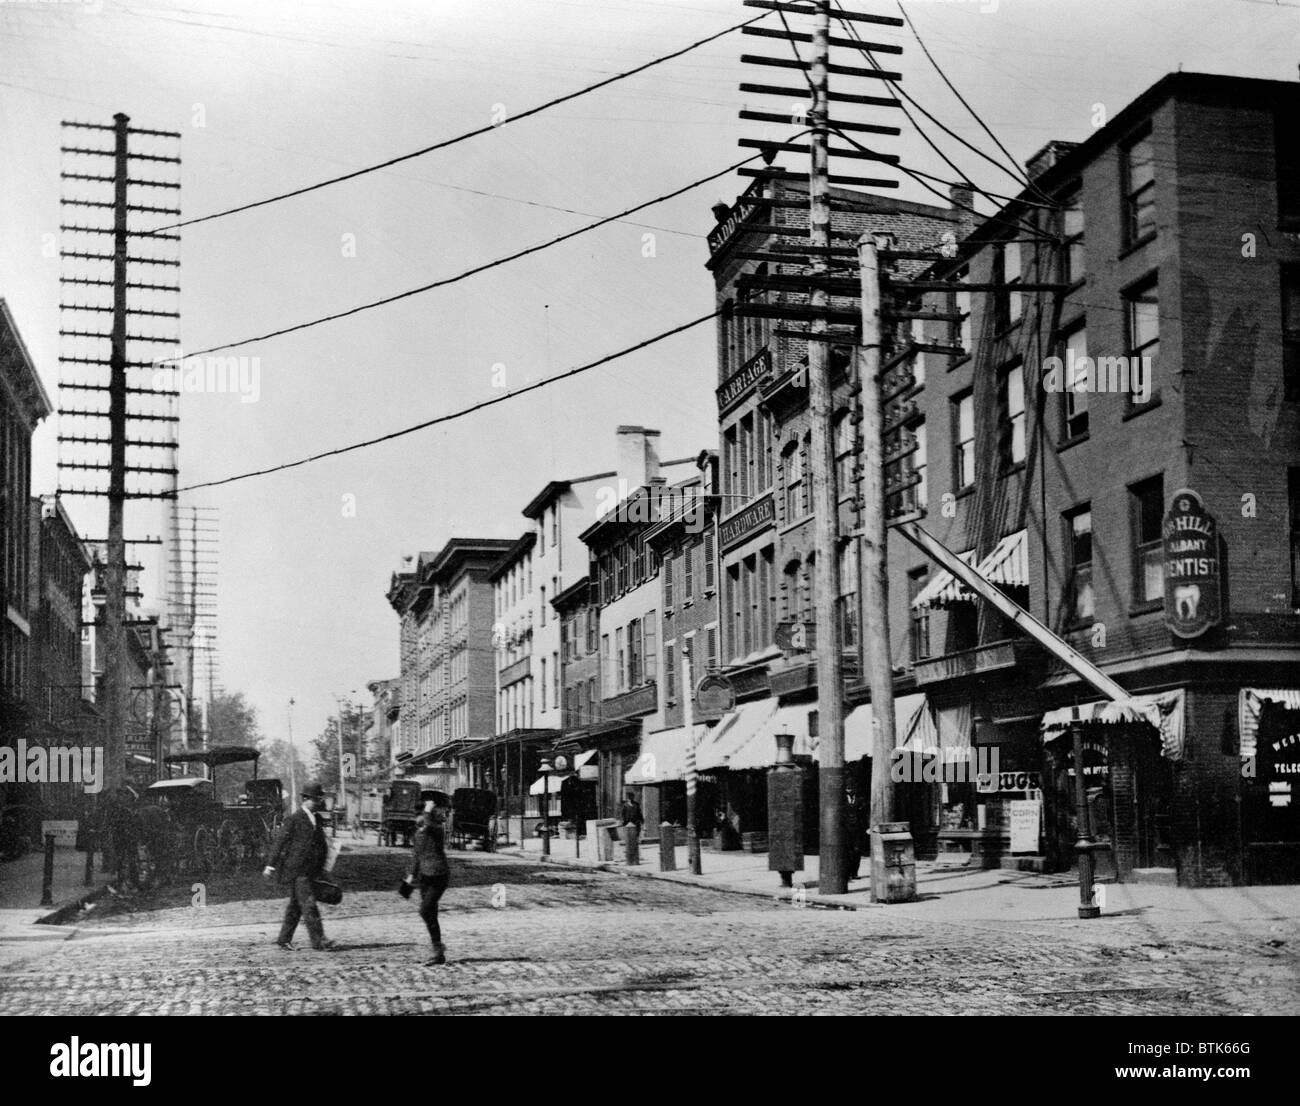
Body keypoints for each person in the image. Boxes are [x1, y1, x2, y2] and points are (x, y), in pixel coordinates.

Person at [264, 782, 333, 951]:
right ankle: (319, 941)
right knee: (309, 904)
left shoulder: (316, 818)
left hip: (311, 870)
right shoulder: (294, 819)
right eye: (316, 800)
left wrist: (324, 867)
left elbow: (321, 845)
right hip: (297, 870)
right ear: (307, 800)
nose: (319, 803)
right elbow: (279, 842)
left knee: (295, 906)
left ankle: (283, 939)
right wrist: (270, 865)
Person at [404, 802, 451, 966]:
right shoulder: (418, 834)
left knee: (425, 910)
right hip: (424, 877)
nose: (418, 820)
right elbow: (416, 855)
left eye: (420, 816)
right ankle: (438, 952)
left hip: (439, 876)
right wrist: (411, 875)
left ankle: (438, 948)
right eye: (416, 817)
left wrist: (427, 812)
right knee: (431, 914)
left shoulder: (436, 830)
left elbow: (429, 825)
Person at [619, 790, 644, 865]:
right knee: (629, 840)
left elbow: (639, 814)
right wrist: (623, 822)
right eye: (629, 797)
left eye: (632, 797)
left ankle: (635, 856)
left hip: (636, 824)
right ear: (627, 798)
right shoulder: (625, 805)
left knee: (635, 840)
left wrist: (642, 821)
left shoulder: (636, 804)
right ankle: (630, 856)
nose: (631, 798)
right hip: (628, 825)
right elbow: (622, 815)